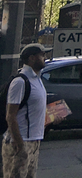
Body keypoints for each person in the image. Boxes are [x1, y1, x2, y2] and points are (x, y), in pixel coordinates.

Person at [3, 44, 47, 178]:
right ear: (32, 58)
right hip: (21, 141)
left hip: (34, 141)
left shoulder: (37, 79)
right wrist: (19, 143)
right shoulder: (20, 82)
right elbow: (10, 115)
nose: (45, 57)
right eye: (42, 55)